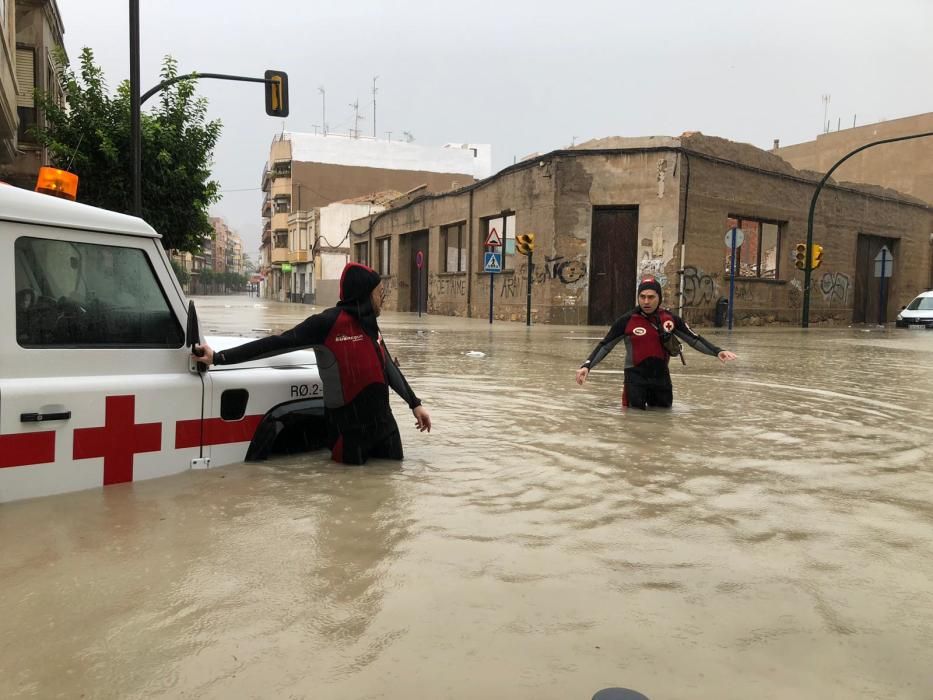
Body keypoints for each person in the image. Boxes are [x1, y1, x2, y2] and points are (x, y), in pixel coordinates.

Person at [194, 262, 431, 464]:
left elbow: (387, 366)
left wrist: (415, 403)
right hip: (348, 433)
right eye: (380, 292)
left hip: (385, 429)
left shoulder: (370, 325)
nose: (383, 298)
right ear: (365, 292)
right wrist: (219, 358)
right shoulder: (327, 324)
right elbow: (275, 344)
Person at [575, 277, 737, 409]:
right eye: (642, 297)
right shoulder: (626, 321)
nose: (646, 301)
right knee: (634, 421)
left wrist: (717, 351)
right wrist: (587, 366)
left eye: (651, 297)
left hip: (661, 379)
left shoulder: (670, 319)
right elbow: (605, 345)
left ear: (659, 298)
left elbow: (694, 339)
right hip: (635, 379)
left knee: (663, 420)